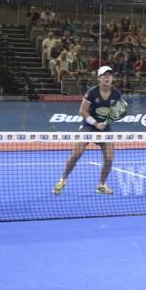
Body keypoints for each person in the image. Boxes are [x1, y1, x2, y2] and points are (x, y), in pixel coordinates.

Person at [53, 66, 123, 195]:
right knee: (77, 154)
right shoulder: (92, 92)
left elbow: (116, 112)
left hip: (105, 127)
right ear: (99, 78)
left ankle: (101, 185)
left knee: (109, 158)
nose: (107, 77)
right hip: (89, 126)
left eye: (109, 75)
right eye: (104, 75)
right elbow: (82, 111)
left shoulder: (116, 94)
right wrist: (95, 123)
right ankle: (62, 180)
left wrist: (106, 122)